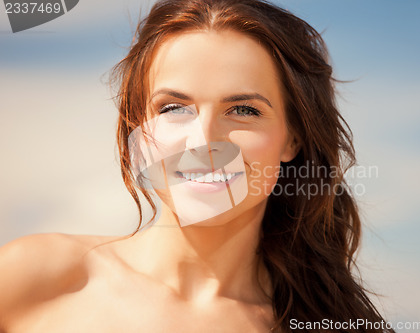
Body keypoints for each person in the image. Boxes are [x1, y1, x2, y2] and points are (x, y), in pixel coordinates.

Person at [0, 0, 394, 332]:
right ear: (138, 127)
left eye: (243, 110)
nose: (205, 141)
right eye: (173, 108)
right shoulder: (29, 278)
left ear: (294, 138)